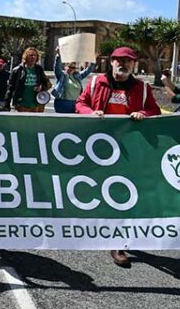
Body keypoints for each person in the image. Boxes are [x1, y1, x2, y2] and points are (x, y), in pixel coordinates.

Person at [75, 46, 161, 268]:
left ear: (134, 65)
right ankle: (101, 229)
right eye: (119, 60)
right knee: (99, 190)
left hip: (129, 150)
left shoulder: (141, 88)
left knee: (122, 193)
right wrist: (90, 113)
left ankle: (118, 241)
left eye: (128, 61)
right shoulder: (96, 83)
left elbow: (155, 110)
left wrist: (144, 113)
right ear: (111, 62)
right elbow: (80, 104)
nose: (123, 64)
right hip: (98, 148)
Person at [5, 47, 52, 112]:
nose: (33, 57)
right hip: (21, 104)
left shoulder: (39, 69)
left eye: (35, 55)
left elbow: (47, 84)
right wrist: (7, 105)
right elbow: (10, 88)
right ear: (26, 56)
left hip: (36, 104)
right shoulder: (17, 70)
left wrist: (41, 88)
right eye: (30, 55)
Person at [52, 46, 95, 113]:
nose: (72, 69)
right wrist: (58, 55)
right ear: (65, 67)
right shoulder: (62, 75)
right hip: (62, 103)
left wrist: (93, 59)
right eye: (70, 67)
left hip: (75, 103)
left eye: (74, 67)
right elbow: (56, 67)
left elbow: (88, 70)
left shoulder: (77, 76)